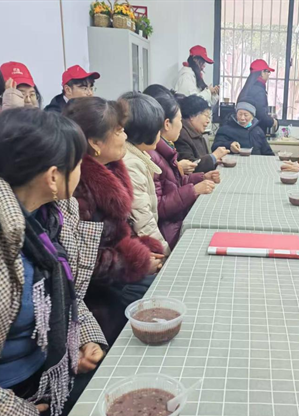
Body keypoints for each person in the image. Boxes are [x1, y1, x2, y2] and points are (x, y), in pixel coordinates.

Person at [0, 108, 107, 416]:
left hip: (45, 375)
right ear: (53, 177)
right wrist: (15, 414)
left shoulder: (52, 214)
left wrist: (83, 340)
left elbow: (66, 290)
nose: (83, 171)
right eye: (79, 163)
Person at [63, 97, 165, 312]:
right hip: (101, 292)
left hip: (120, 276)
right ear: (95, 142)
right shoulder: (78, 187)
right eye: (118, 131)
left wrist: (143, 249)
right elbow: (84, 259)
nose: (125, 137)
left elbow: (121, 231)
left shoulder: (112, 168)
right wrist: (137, 262)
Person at [144, 84, 220, 249]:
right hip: (169, 232)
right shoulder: (152, 157)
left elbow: (175, 183)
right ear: (167, 124)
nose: (182, 125)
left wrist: (202, 177)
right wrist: (194, 190)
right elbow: (159, 207)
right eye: (179, 120)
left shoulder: (166, 149)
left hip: (176, 221)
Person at [120, 92, 171, 256]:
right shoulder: (131, 164)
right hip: (140, 250)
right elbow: (143, 221)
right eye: (158, 129)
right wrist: (165, 253)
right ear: (145, 132)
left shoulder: (137, 155)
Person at [175, 94, 229, 173]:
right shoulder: (181, 135)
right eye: (206, 116)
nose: (208, 121)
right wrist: (214, 156)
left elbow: (201, 160)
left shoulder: (197, 134)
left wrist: (214, 161)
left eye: (209, 117)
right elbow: (190, 167)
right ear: (192, 116)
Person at [174, 45, 219, 111]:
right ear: (195, 59)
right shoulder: (186, 76)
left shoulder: (196, 76)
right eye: (202, 62)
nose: (204, 65)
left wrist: (213, 94)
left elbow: (206, 104)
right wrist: (208, 91)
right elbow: (191, 103)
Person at [237, 59, 277, 133]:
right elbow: (261, 115)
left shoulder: (248, 87)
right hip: (255, 132)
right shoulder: (259, 90)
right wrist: (273, 122)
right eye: (268, 72)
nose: (268, 74)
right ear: (262, 73)